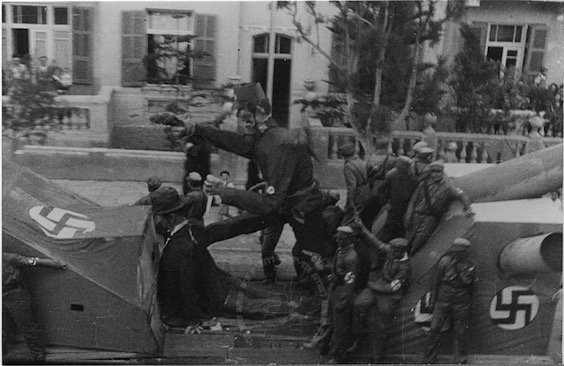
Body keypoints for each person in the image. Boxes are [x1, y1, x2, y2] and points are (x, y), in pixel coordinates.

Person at [172, 98, 330, 289]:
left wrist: (225, 191)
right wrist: (195, 129)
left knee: (309, 259)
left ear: (262, 114)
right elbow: (236, 142)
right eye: (241, 119)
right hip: (285, 202)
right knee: (233, 225)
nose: (243, 125)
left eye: (247, 119)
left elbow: (268, 204)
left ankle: (315, 304)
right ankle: (196, 247)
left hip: (302, 207)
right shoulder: (264, 135)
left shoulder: (277, 144)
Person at [151, 186, 231, 332]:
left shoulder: (180, 247)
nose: (158, 222)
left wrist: (192, 321)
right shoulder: (185, 232)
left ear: (171, 218)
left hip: (174, 313)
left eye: (160, 217)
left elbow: (187, 285)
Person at [350, 222, 411, 363]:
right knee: (359, 305)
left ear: (402, 251)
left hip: (390, 295)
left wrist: (372, 286)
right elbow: (377, 244)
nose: (391, 251)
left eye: (395, 250)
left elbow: (393, 288)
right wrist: (363, 230)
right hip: (378, 286)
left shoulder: (405, 268)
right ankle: (359, 337)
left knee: (381, 327)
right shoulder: (393, 252)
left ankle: (377, 358)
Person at [3, 252, 68, 363]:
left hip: (15, 294)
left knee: (27, 326)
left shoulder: (10, 258)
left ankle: (38, 354)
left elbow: (35, 261)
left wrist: (57, 264)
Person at [404, 160, 474, 255]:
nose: (435, 175)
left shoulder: (447, 187)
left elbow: (462, 195)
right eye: (433, 172)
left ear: (442, 173)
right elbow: (413, 200)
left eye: (438, 173)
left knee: (418, 242)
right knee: (407, 241)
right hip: (416, 215)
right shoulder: (423, 184)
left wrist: (468, 208)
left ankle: (409, 259)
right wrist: (408, 215)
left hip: (429, 219)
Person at [424, 238, 476, 364]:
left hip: (461, 302)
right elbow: (436, 282)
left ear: (465, 252)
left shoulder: (470, 263)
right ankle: (429, 360)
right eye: (453, 251)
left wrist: (459, 268)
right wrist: (432, 302)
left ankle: (461, 360)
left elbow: (469, 283)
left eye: (458, 252)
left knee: (461, 331)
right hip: (443, 301)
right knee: (434, 328)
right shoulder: (444, 261)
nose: (454, 254)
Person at [327, 226, 361, 364]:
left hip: (343, 292)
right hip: (335, 288)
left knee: (341, 327)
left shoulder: (352, 257)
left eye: (340, 239)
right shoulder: (340, 250)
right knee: (334, 323)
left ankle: (340, 357)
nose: (337, 240)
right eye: (337, 238)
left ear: (348, 240)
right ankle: (334, 350)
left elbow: (350, 281)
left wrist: (343, 300)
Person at [377, 155, 419, 242]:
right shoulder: (393, 177)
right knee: (387, 230)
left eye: (401, 169)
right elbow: (380, 189)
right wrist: (385, 203)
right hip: (393, 209)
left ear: (407, 169)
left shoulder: (415, 181)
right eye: (398, 169)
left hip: (406, 211)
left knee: (402, 233)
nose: (399, 171)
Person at [340, 143, 374, 227]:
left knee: (348, 221)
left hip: (358, 194)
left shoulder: (348, 166)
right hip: (367, 191)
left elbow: (352, 186)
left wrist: (350, 203)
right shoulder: (361, 161)